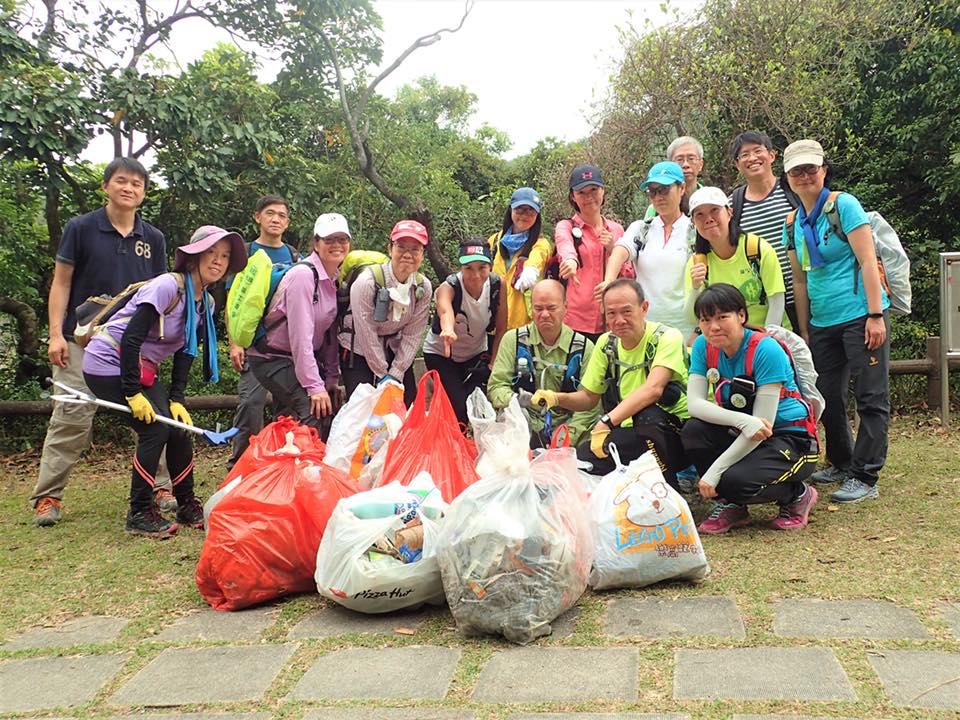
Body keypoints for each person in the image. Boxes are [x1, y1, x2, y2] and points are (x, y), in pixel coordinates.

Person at [30, 157, 173, 527]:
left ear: (143, 192)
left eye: (137, 184)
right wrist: (56, 334)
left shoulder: (153, 238)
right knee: (71, 416)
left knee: (150, 412)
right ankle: (48, 495)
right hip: (80, 339)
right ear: (106, 186)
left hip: (128, 345)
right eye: (121, 181)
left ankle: (160, 486)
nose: (129, 188)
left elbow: (160, 294)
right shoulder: (81, 228)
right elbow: (61, 283)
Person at [81, 226, 246, 537]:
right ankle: (139, 512)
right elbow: (131, 338)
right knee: (155, 430)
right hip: (107, 362)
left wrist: (176, 398)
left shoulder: (205, 304)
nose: (218, 261)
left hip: (143, 368)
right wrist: (131, 393)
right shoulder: (167, 287)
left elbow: (186, 353)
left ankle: (186, 504)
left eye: (224, 256)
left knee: (180, 429)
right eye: (212, 252)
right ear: (194, 256)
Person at [784, 139, 890, 503]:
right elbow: (799, 280)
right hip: (822, 320)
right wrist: (804, 329)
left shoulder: (843, 205)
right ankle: (842, 462)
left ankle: (865, 475)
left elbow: (867, 260)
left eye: (811, 168)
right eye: (797, 171)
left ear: (823, 171)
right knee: (827, 395)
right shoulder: (793, 221)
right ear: (788, 178)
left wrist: (876, 315)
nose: (805, 176)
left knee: (870, 395)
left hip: (860, 314)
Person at [681, 284, 820, 533]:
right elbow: (695, 405)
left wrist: (715, 471)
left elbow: (762, 427)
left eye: (722, 317)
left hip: (790, 439)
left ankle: (797, 494)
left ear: (741, 316)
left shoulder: (765, 349)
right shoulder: (704, 345)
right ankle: (733, 505)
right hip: (745, 430)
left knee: (733, 480)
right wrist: (743, 422)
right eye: (705, 319)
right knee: (694, 431)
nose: (713, 327)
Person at [532, 279, 689, 481]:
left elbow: (653, 390)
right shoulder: (607, 343)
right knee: (584, 458)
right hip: (629, 429)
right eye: (611, 313)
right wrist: (556, 398)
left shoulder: (667, 337)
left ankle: (669, 488)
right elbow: (588, 397)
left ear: (644, 307)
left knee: (647, 416)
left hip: (675, 432)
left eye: (627, 311)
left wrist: (606, 421)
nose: (619, 320)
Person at [248, 213, 346, 438]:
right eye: (329, 239)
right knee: (314, 412)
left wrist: (330, 378)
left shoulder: (332, 279)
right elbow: (300, 337)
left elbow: (329, 333)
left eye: (342, 239)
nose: (336, 245)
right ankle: (309, 472)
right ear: (316, 243)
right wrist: (314, 386)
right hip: (271, 358)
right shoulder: (303, 275)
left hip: (294, 359)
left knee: (315, 411)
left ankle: (286, 468)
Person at [226, 194, 300, 469]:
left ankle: (281, 466)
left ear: (288, 221)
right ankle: (240, 466)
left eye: (281, 215)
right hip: (254, 345)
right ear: (257, 216)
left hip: (287, 347)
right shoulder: (245, 254)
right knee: (250, 405)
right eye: (270, 213)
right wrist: (235, 343)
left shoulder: (294, 256)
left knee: (288, 408)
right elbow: (234, 303)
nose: (276, 219)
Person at [488, 280, 598, 448]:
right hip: (522, 421)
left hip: (566, 424)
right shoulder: (513, 340)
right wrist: (517, 400)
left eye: (551, 308)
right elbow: (496, 386)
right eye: (538, 308)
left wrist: (567, 436)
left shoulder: (584, 348)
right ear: (531, 309)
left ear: (565, 308)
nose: (545, 314)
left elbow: (590, 404)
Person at [339, 219, 433, 406]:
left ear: (423, 255)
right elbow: (366, 331)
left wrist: (396, 373)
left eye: (415, 249)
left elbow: (413, 334)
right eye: (401, 247)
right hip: (358, 348)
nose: (407, 254)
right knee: (362, 411)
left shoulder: (423, 287)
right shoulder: (367, 282)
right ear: (390, 249)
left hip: (394, 350)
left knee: (405, 408)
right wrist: (383, 375)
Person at [607, 161, 697, 339]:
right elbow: (621, 249)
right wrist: (609, 280)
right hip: (645, 330)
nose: (658, 197)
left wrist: (699, 331)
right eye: (652, 191)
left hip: (685, 332)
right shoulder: (641, 228)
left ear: (682, 188)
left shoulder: (694, 230)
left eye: (664, 189)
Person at [423, 241, 506, 429]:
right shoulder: (449, 287)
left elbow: (501, 327)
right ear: (460, 268)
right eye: (468, 268)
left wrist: (494, 361)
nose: (476, 275)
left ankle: (466, 443)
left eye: (482, 268)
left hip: (476, 354)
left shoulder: (497, 285)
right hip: (442, 354)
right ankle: (452, 444)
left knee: (477, 403)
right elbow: (445, 310)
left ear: (490, 266)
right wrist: (448, 329)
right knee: (459, 407)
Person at [684, 186, 786, 331]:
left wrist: (764, 341)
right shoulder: (697, 263)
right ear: (693, 222)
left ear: (729, 212)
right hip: (724, 341)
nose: (708, 219)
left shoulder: (757, 250)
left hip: (765, 336)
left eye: (714, 210)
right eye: (699, 214)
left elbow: (776, 302)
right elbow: (691, 318)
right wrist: (695, 287)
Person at [728, 131, 801, 327]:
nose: (752, 158)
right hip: (766, 305)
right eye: (744, 155)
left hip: (807, 296)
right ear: (737, 164)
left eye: (757, 151)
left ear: (772, 155)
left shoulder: (793, 190)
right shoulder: (734, 205)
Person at [555, 164, 629, 341]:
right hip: (577, 321)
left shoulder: (616, 230)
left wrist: (613, 249)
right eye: (581, 192)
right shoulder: (566, 227)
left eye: (594, 190)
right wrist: (571, 262)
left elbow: (629, 274)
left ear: (603, 191)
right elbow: (565, 247)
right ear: (573, 196)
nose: (589, 197)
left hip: (613, 320)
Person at [487, 187, 552, 330]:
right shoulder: (494, 241)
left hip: (523, 327)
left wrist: (531, 270)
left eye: (531, 210)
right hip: (492, 324)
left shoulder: (541, 244)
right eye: (520, 209)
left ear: (537, 215)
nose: (525, 215)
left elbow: (537, 258)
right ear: (511, 210)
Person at [643, 136, 705, 219]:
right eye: (680, 160)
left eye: (691, 158)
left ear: (701, 164)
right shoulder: (656, 209)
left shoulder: (710, 199)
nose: (685, 165)